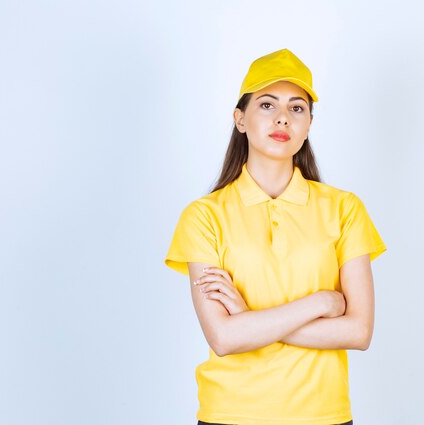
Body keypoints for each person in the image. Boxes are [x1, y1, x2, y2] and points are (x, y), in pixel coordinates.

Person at [164, 48, 387, 425]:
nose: (283, 117)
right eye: (267, 105)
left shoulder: (344, 209)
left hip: (324, 415)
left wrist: (249, 321)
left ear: (309, 124)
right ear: (240, 119)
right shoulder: (203, 217)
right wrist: (321, 302)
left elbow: (359, 330)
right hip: (229, 414)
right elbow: (223, 338)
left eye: (297, 108)